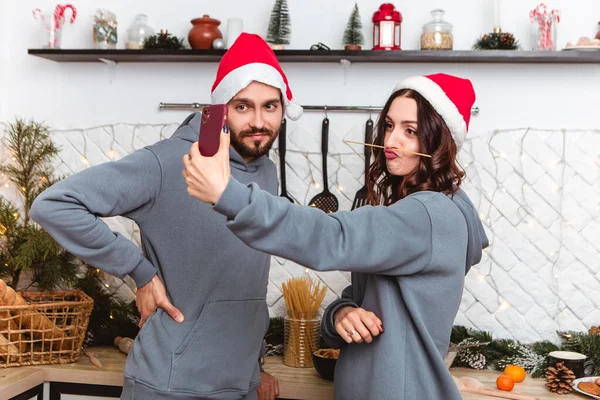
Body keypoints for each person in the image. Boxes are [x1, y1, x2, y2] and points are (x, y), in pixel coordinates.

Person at [182, 73, 489, 400]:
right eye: (388, 126)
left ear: (439, 141)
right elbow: (363, 297)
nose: (391, 141)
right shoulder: (415, 212)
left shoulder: (428, 215)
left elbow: (330, 235)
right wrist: (341, 314)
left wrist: (228, 195)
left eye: (410, 131)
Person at [30, 32, 303, 400]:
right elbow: (55, 203)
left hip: (238, 384)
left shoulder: (266, 172)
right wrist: (140, 272)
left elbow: (241, 279)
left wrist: (255, 367)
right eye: (243, 106)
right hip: (169, 385)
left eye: (270, 106)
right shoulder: (166, 162)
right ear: (221, 107)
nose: (258, 122)